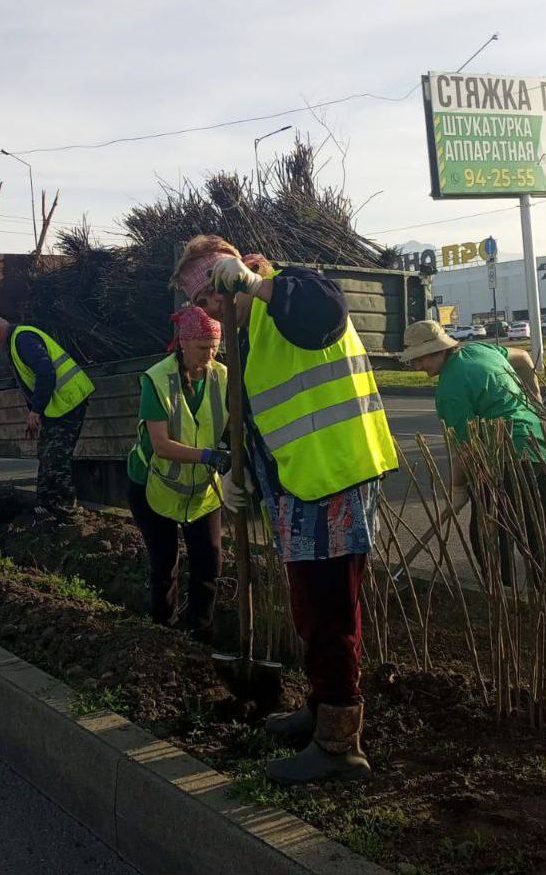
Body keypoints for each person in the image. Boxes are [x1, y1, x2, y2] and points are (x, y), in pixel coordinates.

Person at [173, 234, 398, 785]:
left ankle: (340, 746)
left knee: (330, 613)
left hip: (334, 479)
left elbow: (327, 307)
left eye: (205, 300)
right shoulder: (251, 337)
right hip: (302, 487)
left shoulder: (292, 294)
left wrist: (256, 283)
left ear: (227, 279)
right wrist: (235, 472)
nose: (205, 315)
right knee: (309, 607)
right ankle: (322, 710)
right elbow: (262, 415)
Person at [397, 320, 546, 598]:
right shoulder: (481, 351)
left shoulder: (449, 390)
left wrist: (457, 490)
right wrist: (535, 399)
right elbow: (525, 358)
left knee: (489, 538)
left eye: (419, 360)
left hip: (499, 463)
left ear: (437, 352)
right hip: (537, 450)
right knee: (543, 538)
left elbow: (465, 449)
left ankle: (504, 601)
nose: (418, 367)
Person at [127, 306, 231, 641]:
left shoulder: (224, 376)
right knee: (165, 562)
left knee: (209, 561)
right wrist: (207, 455)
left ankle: (200, 633)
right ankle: (163, 631)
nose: (210, 355)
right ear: (183, 343)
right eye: (203, 348)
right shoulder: (157, 380)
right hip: (154, 485)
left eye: (215, 347)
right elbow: (161, 445)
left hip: (201, 489)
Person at [0, 314, 94, 518]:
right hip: (59, 406)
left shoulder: (23, 339)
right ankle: (47, 505)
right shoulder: (18, 340)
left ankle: (67, 511)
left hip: (69, 402)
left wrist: (36, 410)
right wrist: (36, 413)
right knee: (46, 455)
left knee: (56, 459)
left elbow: (46, 372)